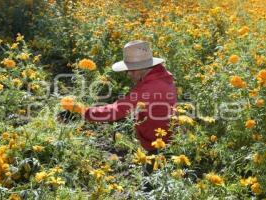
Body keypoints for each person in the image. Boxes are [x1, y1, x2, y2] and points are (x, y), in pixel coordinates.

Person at [59, 40, 177, 190]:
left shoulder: (150, 87)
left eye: (131, 70)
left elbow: (115, 111)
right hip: (164, 140)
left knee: (150, 190)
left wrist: (83, 112)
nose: (128, 74)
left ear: (142, 67)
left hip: (159, 146)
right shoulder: (161, 77)